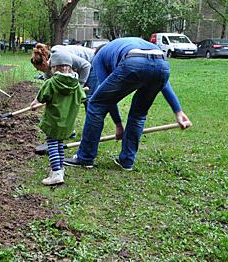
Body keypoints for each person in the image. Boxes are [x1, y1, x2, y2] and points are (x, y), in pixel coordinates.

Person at [64, 37, 192, 171]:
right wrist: (178, 111)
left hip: (134, 61)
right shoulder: (123, 46)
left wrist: (118, 125)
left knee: (96, 104)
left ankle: (85, 157)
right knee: (139, 114)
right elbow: (164, 83)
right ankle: (127, 161)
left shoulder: (99, 57)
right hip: (162, 64)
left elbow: (107, 100)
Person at [30, 49, 86, 185]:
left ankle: (56, 172)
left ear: (54, 67)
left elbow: (41, 98)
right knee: (59, 144)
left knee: (52, 145)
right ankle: (60, 169)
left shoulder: (51, 83)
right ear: (70, 67)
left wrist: (35, 103)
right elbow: (82, 98)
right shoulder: (76, 84)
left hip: (53, 122)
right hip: (67, 123)